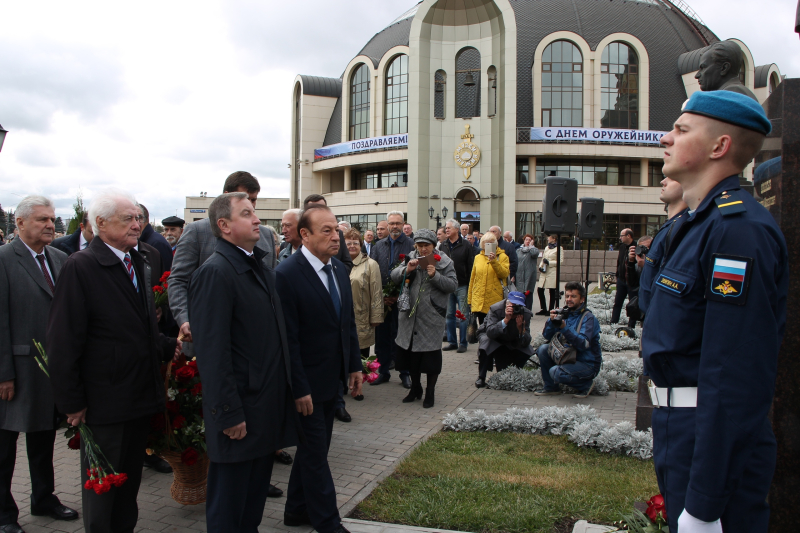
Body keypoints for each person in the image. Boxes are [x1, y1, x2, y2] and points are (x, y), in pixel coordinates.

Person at [643, 90, 786, 532]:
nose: (665, 139)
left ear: (719, 147)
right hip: (680, 432)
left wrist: (705, 504)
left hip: (711, 442)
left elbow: (734, 375)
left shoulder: (736, 233)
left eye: (682, 130)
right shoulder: (695, 226)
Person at [47, 189, 180, 533]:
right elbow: (63, 341)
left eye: (139, 218)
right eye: (129, 219)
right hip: (105, 402)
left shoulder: (139, 261)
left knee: (128, 489)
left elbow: (140, 327)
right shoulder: (82, 266)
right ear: (101, 223)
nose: (138, 225)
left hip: (138, 396)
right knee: (103, 492)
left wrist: (169, 346)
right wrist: (72, 402)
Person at [168, 171, 288, 492]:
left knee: (250, 466)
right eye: (247, 208)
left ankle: (256, 471)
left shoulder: (262, 237)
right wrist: (185, 319)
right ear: (224, 216)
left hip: (257, 367)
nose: (256, 215)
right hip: (217, 347)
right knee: (228, 454)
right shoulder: (196, 234)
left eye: (256, 204)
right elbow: (179, 280)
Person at [188, 193, 299, 532]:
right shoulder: (216, 273)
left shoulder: (259, 268)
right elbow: (212, 352)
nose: (257, 219)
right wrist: (228, 412)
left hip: (264, 407)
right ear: (224, 226)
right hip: (240, 412)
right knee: (229, 507)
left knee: (252, 503)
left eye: (255, 213)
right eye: (246, 213)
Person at [275, 204, 363, 533]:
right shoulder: (286, 275)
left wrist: (354, 366)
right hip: (306, 386)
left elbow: (347, 325)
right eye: (325, 230)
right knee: (315, 455)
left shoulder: (339, 270)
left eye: (336, 229)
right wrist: (299, 388)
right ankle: (328, 523)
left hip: (332, 381)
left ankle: (297, 510)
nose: (335, 236)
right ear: (305, 235)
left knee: (317, 449)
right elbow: (289, 341)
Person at [0, 196, 78, 533]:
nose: (50, 225)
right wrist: (4, 373)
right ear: (19, 224)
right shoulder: (4, 259)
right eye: (42, 220)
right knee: (5, 449)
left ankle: (43, 498)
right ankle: (4, 515)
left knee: (44, 441)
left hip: (50, 371)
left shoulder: (60, 259)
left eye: (52, 219)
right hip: (16, 372)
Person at [391, 229, 457, 408]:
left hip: (431, 316)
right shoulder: (410, 257)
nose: (422, 249)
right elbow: (394, 276)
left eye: (426, 246)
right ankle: (415, 388)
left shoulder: (445, 261)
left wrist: (435, 276)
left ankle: (430, 391)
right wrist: (407, 269)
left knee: (430, 357)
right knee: (411, 356)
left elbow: (452, 285)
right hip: (409, 315)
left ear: (433, 246)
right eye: (419, 245)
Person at [369, 211, 414, 388]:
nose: (394, 226)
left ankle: (405, 373)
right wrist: (382, 295)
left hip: (403, 298)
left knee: (402, 336)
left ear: (403, 224)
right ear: (387, 225)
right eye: (392, 223)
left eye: (398, 223)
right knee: (382, 338)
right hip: (382, 299)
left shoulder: (411, 245)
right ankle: (383, 371)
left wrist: (398, 294)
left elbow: (415, 272)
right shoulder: (378, 246)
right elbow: (372, 271)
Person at [535, 281, 601, 398]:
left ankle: (585, 385)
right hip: (568, 357)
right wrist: (551, 321)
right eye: (567, 296)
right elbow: (547, 336)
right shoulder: (565, 314)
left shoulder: (588, 318)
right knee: (543, 349)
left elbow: (583, 344)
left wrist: (564, 328)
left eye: (573, 296)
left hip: (587, 364)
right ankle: (551, 387)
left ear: (582, 299)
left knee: (555, 372)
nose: (569, 299)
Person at [639, 177, 688, 314]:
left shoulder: (683, 228)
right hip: (651, 315)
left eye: (672, 178)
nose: (662, 181)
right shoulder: (670, 225)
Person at [475, 291, 534, 388]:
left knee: (528, 350)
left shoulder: (526, 314)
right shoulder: (496, 309)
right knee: (487, 343)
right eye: (513, 305)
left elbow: (527, 341)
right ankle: (481, 376)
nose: (516, 309)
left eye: (518, 306)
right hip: (490, 335)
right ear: (507, 303)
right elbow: (490, 332)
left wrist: (521, 331)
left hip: (510, 337)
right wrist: (505, 320)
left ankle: (516, 372)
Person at [345, 229, 383, 360]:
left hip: (362, 318)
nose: (352, 246)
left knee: (360, 357)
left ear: (360, 245)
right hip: (341, 318)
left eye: (355, 243)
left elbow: (376, 291)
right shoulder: (336, 263)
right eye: (348, 243)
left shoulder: (371, 264)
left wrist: (376, 317)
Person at [440, 219, 475, 353]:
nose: (446, 230)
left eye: (449, 228)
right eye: (446, 228)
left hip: (462, 285)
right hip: (448, 285)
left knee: (463, 315)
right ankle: (452, 342)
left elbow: (470, 265)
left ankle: (463, 343)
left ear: (456, 229)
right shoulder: (443, 245)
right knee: (449, 315)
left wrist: (469, 284)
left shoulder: (466, 245)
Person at [467, 233, 509, 326]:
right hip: (479, 299)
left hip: (495, 299)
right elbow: (473, 279)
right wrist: (470, 299)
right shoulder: (478, 258)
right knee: (482, 328)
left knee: (492, 327)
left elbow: (504, 274)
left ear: (495, 244)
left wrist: (494, 261)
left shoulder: (502, 257)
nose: (488, 246)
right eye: (486, 243)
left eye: (491, 243)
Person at [303, 195, 353, 273]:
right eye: (314, 210)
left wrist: (332, 275)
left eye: (323, 208)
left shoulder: (338, 234)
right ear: (304, 234)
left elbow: (347, 263)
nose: (335, 238)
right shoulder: (296, 238)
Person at [624, 235, 653, 328]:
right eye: (643, 248)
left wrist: (648, 266)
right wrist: (631, 263)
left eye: (649, 247)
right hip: (645, 309)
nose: (646, 251)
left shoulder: (661, 261)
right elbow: (633, 285)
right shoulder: (639, 263)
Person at [137, 204, 173, 271]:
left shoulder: (157, 243)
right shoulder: (144, 240)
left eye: (138, 218)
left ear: (145, 219)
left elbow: (163, 275)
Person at [610, 228, 635, 324]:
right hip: (621, 280)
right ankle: (613, 323)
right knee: (617, 303)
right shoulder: (622, 247)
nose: (620, 238)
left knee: (633, 304)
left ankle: (631, 326)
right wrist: (617, 275)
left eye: (622, 236)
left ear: (628, 236)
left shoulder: (636, 247)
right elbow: (619, 262)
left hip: (632, 281)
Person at [535, 234, 563, 315]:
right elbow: (543, 258)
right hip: (544, 271)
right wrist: (540, 266)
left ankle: (551, 309)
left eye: (549, 237)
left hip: (552, 271)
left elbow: (560, 261)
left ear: (554, 239)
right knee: (540, 289)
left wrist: (550, 263)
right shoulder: (547, 247)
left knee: (552, 291)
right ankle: (543, 308)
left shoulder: (559, 248)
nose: (548, 238)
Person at [515, 234, 539, 309]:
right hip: (519, 275)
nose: (528, 241)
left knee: (528, 292)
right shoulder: (518, 250)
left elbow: (534, 254)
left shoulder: (534, 250)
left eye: (529, 240)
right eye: (526, 240)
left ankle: (527, 310)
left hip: (529, 276)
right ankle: (520, 309)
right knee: (520, 292)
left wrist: (531, 246)